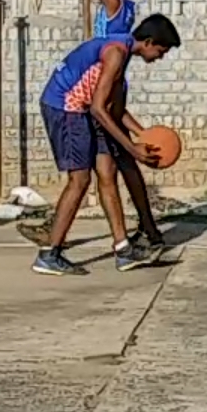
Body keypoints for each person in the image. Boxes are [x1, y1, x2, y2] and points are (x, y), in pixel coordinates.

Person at [20, 0, 165, 251]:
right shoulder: (124, 11)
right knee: (112, 165)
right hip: (104, 76)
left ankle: (126, 231)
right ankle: (138, 232)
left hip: (100, 79)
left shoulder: (115, 4)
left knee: (105, 166)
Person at [32, 14, 180, 276]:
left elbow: (115, 108)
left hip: (85, 108)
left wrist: (143, 135)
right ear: (148, 42)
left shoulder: (122, 54)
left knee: (108, 171)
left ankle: (123, 250)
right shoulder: (115, 53)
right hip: (66, 108)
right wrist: (133, 148)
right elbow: (101, 110)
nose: (160, 57)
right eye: (161, 50)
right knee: (79, 180)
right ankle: (49, 254)